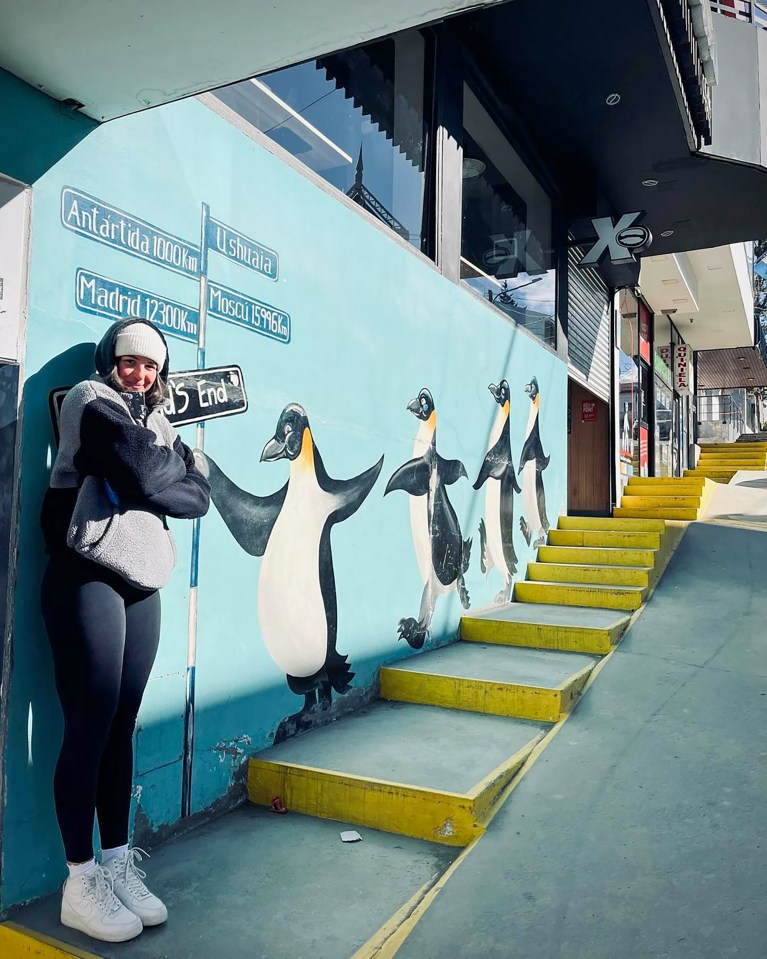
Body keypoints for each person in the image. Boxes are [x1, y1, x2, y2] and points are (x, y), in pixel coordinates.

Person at [40, 318, 210, 943]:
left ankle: (116, 863)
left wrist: (182, 475)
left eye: (150, 365)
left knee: (120, 725)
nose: (140, 372)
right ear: (109, 361)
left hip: (143, 586)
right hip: (87, 575)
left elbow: (199, 498)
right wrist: (181, 471)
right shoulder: (92, 403)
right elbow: (146, 476)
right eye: (129, 360)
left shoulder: (160, 424)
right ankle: (79, 881)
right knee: (91, 716)